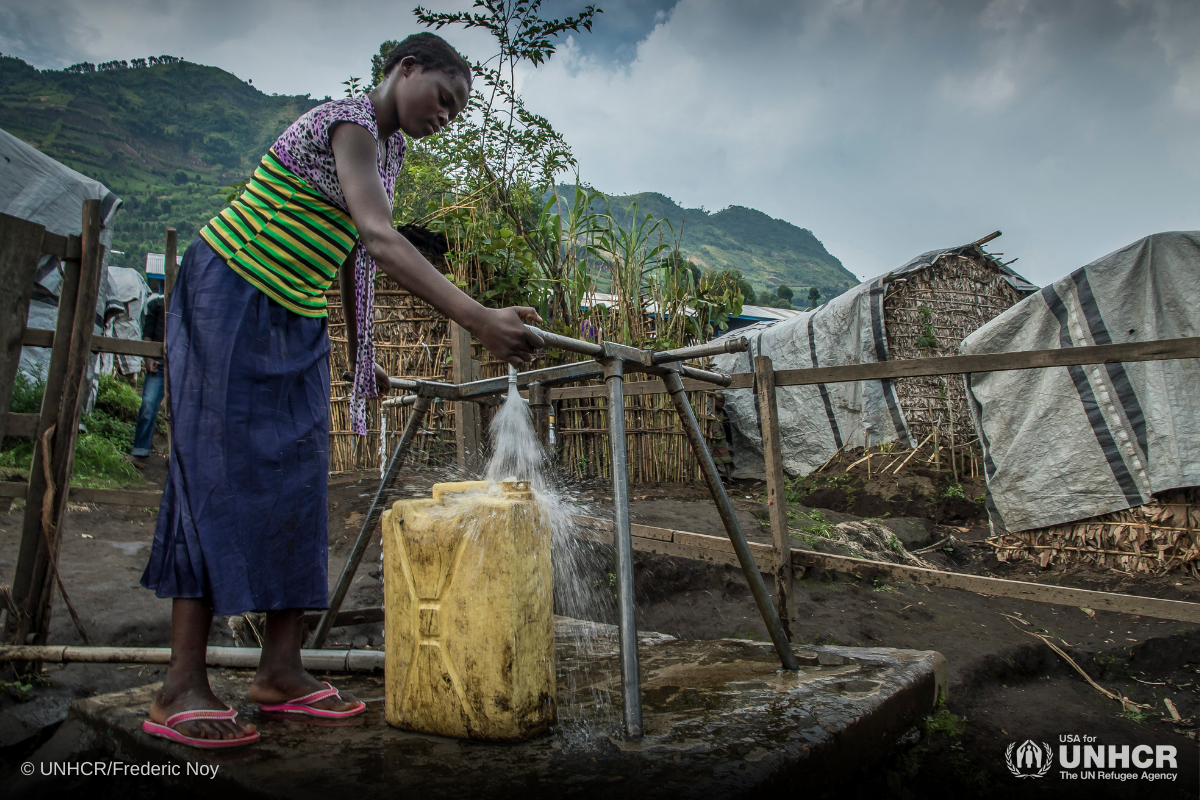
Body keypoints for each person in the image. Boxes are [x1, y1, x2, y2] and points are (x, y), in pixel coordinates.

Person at [139, 33, 543, 749]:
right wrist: (478, 319)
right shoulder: (348, 124)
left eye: (456, 112)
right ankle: (180, 686)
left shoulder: (390, 154)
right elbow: (381, 238)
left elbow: (356, 253)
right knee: (214, 479)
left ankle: (281, 672)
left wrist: (362, 357)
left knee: (300, 480)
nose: (444, 115)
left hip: (293, 316)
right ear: (405, 69)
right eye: (442, 98)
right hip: (229, 294)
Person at [128, 284, 164, 468]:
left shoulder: (189, 305)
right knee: (149, 404)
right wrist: (148, 359)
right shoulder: (157, 304)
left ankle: (177, 458)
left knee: (182, 411)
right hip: (159, 363)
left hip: (182, 364)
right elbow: (148, 334)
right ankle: (140, 452)